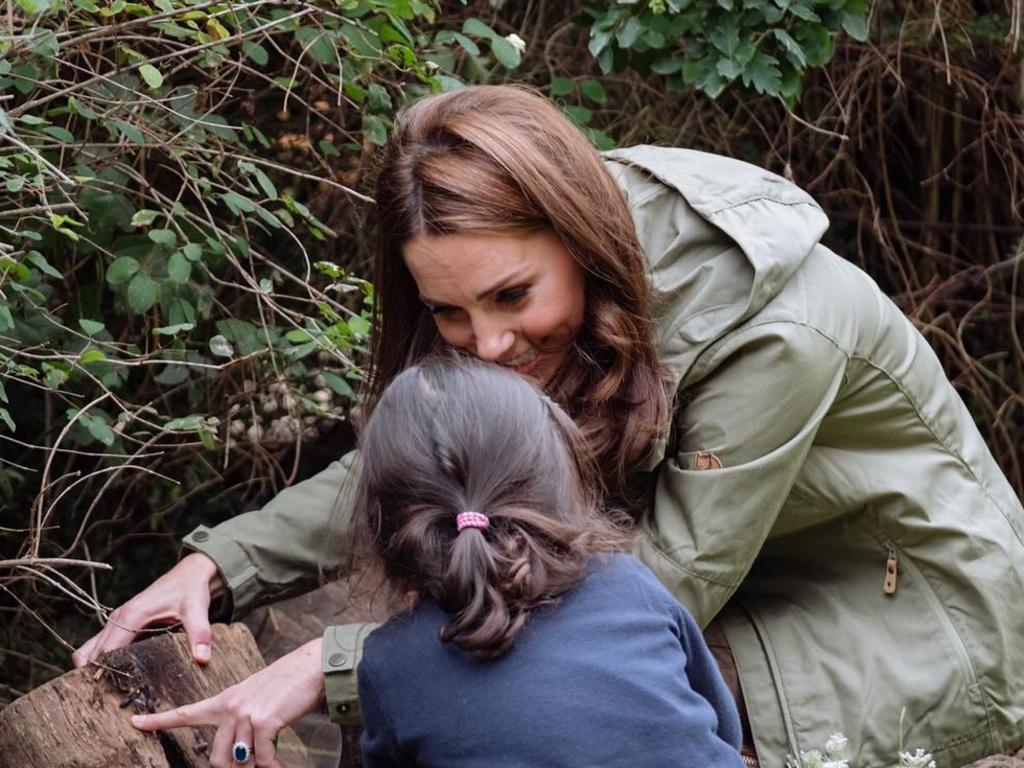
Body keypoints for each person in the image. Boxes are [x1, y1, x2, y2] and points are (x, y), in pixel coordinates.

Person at [78, 85, 1024, 768]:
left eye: (510, 296)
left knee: (544, 699)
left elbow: (659, 596)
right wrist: (221, 565)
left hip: (905, 617)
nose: (484, 344)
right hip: (739, 587)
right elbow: (442, 463)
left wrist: (338, 667)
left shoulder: (774, 333)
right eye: (449, 314)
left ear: (579, 236)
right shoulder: (549, 302)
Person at [353, 355, 744, 767]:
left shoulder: (390, 662)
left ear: (384, 518)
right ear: (555, 470)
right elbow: (722, 728)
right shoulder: (627, 583)